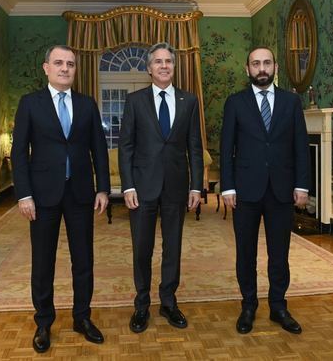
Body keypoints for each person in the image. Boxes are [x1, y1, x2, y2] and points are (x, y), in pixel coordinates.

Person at [11, 45, 110, 353]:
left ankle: (82, 318)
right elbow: (19, 153)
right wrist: (24, 194)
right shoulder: (30, 104)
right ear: (46, 68)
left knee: (84, 260)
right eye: (58, 63)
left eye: (70, 64)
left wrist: (103, 188)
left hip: (80, 193)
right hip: (42, 195)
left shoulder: (87, 104)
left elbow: (99, 148)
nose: (65, 68)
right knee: (43, 262)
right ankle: (43, 322)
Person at [220, 46, 310, 335]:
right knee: (245, 253)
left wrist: (302, 185)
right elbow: (226, 149)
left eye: (267, 63)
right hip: (245, 190)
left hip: (282, 190)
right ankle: (248, 306)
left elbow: (301, 146)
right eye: (256, 63)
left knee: (279, 254)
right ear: (247, 69)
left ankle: (278, 306)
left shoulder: (291, 102)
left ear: (275, 68)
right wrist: (227, 187)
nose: (262, 68)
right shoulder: (235, 103)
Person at [118, 42, 204, 333]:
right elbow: (126, 147)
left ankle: (168, 301)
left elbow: (195, 146)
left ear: (174, 67)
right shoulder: (135, 101)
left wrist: (196, 187)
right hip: (142, 187)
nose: (164, 65)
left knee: (173, 247)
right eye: (158, 61)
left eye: (168, 61)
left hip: (176, 187)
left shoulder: (189, 101)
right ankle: (141, 304)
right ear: (149, 68)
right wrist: (128, 186)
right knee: (142, 248)